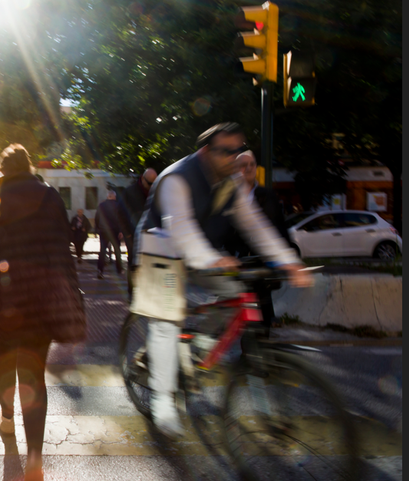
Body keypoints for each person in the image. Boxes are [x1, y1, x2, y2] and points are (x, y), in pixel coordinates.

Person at [134, 122, 312, 439]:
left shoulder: (231, 182)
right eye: (226, 151)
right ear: (205, 151)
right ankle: (162, 400)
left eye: (238, 149)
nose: (234, 157)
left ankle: (197, 345)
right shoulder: (178, 178)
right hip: (160, 247)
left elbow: (254, 224)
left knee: (237, 291)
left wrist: (289, 262)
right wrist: (213, 259)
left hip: (199, 250)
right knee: (165, 320)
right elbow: (182, 230)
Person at [0, 144, 85, 481]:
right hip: (42, 299)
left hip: (1, 300)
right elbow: (62, 247)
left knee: (6, 361)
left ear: (2, 168)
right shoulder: (50, 197)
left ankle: (6, 417)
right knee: (34, 376)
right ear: (29, 166)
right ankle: (35, 459)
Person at [225, 150, 292, 336]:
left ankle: (262, 346)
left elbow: (279, 226)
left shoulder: (267, 195)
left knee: (262, 302)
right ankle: (249, 353)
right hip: (239, 261)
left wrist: (289, 255)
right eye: (243, 165)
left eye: (251, 165)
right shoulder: (228, 197)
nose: (248, 168)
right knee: (244, 309)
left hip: (262, 260)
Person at [122, 168, 157, 296]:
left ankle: (146, 294)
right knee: (133, 263)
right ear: (142, 178)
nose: (151, 186)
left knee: (148, 263)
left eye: (154, 183)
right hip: (132, 235)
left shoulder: (156, 191)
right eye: (149, 183)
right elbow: (121, 214)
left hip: (150, 235)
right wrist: (127, 234)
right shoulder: (129, 192)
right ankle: (132, 293)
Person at [95, 190, 127, 279]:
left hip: (104, 231)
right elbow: (122, 219)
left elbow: (97, 218)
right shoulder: (118, 205)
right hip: (115, 231)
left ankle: (100, 270)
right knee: (117, 251)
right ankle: (119, 269)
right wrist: (121, 231)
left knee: (102, 251)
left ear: (107, 196)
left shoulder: (101, 205)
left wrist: (98, 229)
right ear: (114, 197)